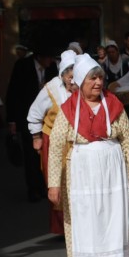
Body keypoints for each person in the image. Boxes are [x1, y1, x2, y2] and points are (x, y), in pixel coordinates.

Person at [47, 54, 129, 257]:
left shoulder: (113, 105)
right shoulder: (69, 110)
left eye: (100, 77)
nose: (98, 82)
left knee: (118, 222)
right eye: (93, 78)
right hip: (84, 178)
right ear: (80, 81)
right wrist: (54, 184)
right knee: (90, 225)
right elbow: (56, 146)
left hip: (113, 176)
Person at [28, 50, 78, 234]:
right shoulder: (51, 90)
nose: (73, 81)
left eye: (76, 77)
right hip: (53, 141)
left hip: (75, 140)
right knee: (57, 181)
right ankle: (62, 226)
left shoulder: (81, 88)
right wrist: (36, 137)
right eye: (70, 77)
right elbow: (34, 114)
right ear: (63, 75)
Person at [7, 43, 57, 202]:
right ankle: (33, 189)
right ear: (39, 57)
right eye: (48, 57)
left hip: (48, 119)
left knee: (47, 153)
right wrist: (12, 120)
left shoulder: (52, 68)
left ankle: (44, 186)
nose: (50, 61)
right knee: (31, 154)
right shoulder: (22, 66)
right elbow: (13, 92)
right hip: (27, 117)